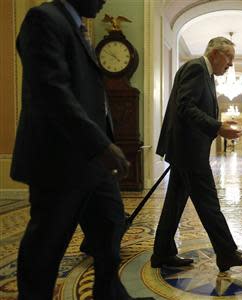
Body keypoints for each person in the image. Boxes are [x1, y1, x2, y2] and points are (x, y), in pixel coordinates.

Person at [11, 0, 153, 299]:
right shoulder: (44, 19)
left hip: (94, 161)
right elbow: (51, 91)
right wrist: (100, 143)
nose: (104, 1)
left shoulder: (77, 27)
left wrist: (104, 142)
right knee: (45, 248)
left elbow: (91, 94)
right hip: (59, 160)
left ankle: (109, 293)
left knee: (110, 225)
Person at [152, 37, 242, 272]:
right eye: (229, 57)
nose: (231, 64)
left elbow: (193, 108)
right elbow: (185, 107)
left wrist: (217, 123)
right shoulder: (197, 68)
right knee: (208, 203)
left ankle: (162, 253)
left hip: (186, 150)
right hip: (188, 151)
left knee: (174, 204)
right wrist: (217, 127)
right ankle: (227, 253)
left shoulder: (205, 73)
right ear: (215, 54)